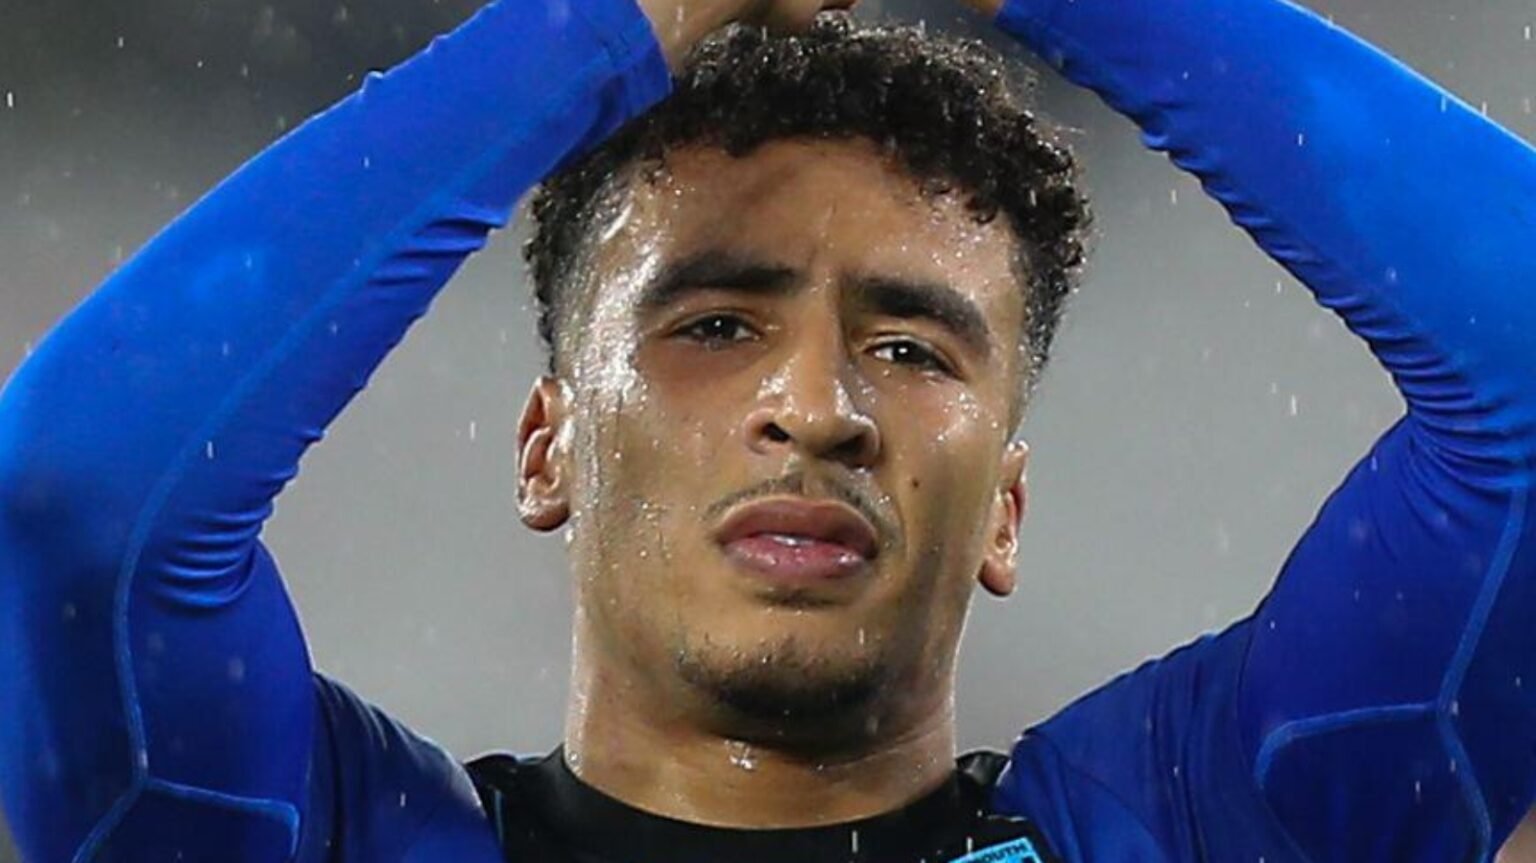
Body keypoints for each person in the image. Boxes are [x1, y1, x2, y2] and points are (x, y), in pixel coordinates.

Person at [2, 0, 1534, 857]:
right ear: (546, 449)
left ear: (1006, 508)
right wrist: (609, 26)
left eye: (910, 348)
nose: (818, 409)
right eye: (716, 326)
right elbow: (74, 495)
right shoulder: (333, 840)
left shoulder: (1189, 828)